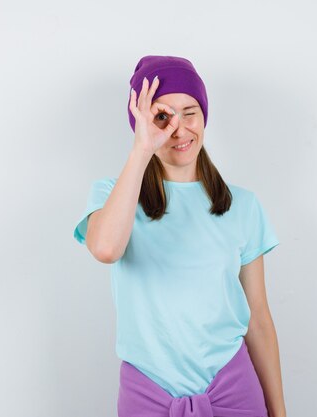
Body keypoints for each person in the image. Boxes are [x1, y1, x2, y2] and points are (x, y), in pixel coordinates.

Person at [73, 55, 287, 417]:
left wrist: (279, 413)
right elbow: (106, 248)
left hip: (234, 391)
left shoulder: (244, 206)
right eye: (161, 117)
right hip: (148, 396)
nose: (179, 128)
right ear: (140, 124)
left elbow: (259, 319)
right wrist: (143, 149)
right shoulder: (113, 196)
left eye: (190, 112)